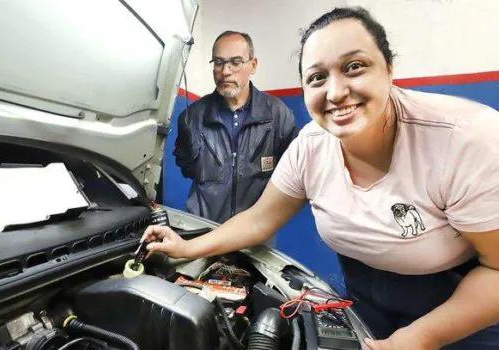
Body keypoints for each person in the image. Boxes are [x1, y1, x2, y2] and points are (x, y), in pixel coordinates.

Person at [145, 7, 499, 350]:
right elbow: (259, 219)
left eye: (355, 67)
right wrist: (188, 247)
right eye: (317, 77)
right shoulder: (311, 146)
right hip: (364, 298)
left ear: (389, 69)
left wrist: (425, 337)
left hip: (464, 307)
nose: (335, 92)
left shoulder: (465, 140)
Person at [173, 30, 298, 224]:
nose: (225, 71)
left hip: (255, 231)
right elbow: (185, 164)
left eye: (236, 62)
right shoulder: (191, 117)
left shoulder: (278, 115)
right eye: (219, 62)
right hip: (203, 227)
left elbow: (290, 172)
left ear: (253, 65)